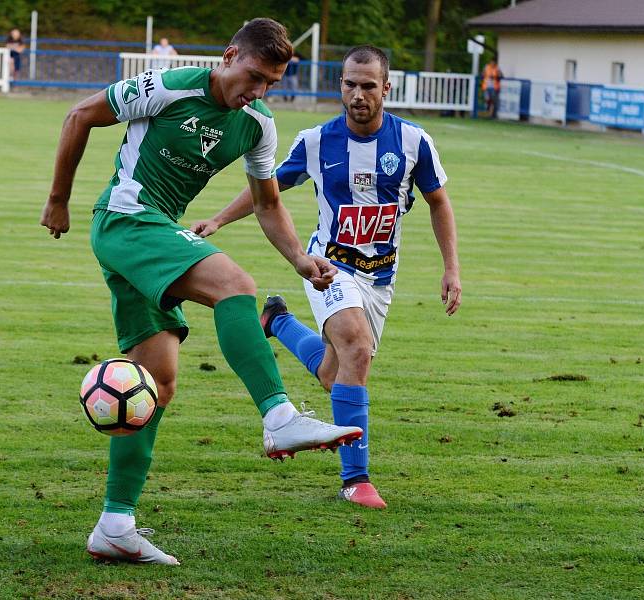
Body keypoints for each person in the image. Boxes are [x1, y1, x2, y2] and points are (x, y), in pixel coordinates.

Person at [39, 18, 363, 566]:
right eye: (254, 77)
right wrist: (58, 199)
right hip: (126, 220)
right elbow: (79, 115)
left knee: (155, 386)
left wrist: (302, 261)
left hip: (154, 232)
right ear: (229, 55)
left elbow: (267, 203)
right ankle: (279, 417)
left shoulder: (258, 124)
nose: (258, 92)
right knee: (235, 285)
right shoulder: (167, 85)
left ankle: (115, 525)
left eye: (271, 84)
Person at [192, 45, 462, 509]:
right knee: (355, 345)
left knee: (334, 375)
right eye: (350, 84)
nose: (358, 94)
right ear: (341, 85)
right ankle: (355, 479)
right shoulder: (316, 141)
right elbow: (267, 190)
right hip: (328, 266)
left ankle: (277, 321)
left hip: (380, 276)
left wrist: (451, 268)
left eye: (369, 86)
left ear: (387, 88)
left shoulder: (414, 142)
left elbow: (438, 202)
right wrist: (217, 220)